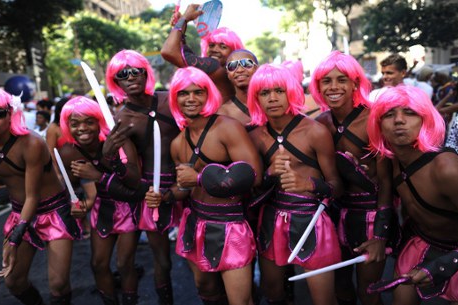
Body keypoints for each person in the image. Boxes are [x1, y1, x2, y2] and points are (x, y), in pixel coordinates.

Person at [145, 66, 262, 305]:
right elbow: (184, 188)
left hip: (231, 225)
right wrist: (164, 197)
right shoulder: (178, 143)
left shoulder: (227, 127)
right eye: (183, 93)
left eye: (198, 92)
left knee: (240, 300)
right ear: (175, 98)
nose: (191, 99)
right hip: (195, 223)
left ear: (208, 94)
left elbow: (254, 176)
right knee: (206, 291)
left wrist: (199, 178)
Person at [0, 87, 81, 305]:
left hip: (53, 212)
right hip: (19, 212)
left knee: (58, 284)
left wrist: (14, 237)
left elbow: (32, 196)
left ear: (10, 113)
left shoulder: (32, 143)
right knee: (13, 281)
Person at [367, 85, 458, 304]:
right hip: (422, 243)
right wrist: (379, 238)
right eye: (389, 114)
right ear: (378, 124)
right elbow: (385, 197)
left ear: (425, 119)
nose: (399, 120)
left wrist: (443, 265)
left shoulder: (446, 168)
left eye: (410, 113)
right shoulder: (387, 159)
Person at [247, 64, 342, 305]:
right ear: (256, 98)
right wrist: (269, 173)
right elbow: (253, 188)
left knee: (323, 300)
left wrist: (309, 184)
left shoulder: (316, 132)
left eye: (279, 90)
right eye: (264, 93)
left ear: (291, 91)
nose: (273, 98)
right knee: (274, 294)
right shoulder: (255, 137)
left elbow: (337, 186)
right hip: (271, 219)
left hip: (313, 219)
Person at [309, 51, 397, 305]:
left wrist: (380, 235)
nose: (334, 87)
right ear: (318, 86)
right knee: (341, 287)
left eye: (342, 80)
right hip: (334, 215)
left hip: (370, 216)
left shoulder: (374, 118)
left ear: (355, 83)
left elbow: (387, 183)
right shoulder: (319, 123)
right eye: (326, 81)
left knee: (368, 292)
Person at [106, 49, 180, 305]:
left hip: (186, 182)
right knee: (163, 259)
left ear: (145, 72)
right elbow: (130, 171)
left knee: (198, 251)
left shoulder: (170, 100)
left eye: (136, 70)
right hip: (152, 188)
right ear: (116, 82)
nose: (131, 77)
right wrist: (110, 156)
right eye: (122, 74)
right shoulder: (122, 118)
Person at [58, 96, 143, 305]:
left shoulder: (118, 142)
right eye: (75, 123)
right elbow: (68, 189)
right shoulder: (68, 152)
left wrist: (100, 171)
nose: (82, 128)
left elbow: (135, 184)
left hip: (128, 207)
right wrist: (75, 204)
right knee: (98, 264)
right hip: (102, 209)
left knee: (124, 264)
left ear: (99, 121)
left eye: (89, 121)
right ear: (67, 126)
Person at [161, 3, 244, 102]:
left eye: (223, 46)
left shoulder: (218, 69)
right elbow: (183, 53)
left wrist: (184, 19)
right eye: (211, 45)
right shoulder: (220, 70)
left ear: (234, 51)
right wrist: (181, 25)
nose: (215, 50)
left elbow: (169, 52)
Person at [217, 49, 259, 127]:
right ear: (228, 74)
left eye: (246, 64)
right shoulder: (223, 113)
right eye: (232, 66)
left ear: (257, 69)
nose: (239, 70)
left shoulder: (270, 102)